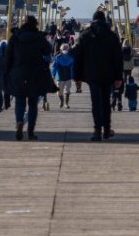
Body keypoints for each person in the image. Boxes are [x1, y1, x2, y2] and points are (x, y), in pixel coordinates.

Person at [71, 10, 123, 141]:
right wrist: (119, 77)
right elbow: (118, 58)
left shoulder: (85, 35)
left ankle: (97, 131)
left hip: (91, 74)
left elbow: (77, 57)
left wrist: (77, 77)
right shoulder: (112, 36)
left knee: (96, 102)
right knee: (106, 101)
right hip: (108, 74)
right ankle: (106, 130)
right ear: (105, 20)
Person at [5, 15, 52, 141]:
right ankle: (30, 131)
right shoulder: (39, 38)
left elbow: (8, 56)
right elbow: (48, 51)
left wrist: (7, 73)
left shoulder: (15, 37)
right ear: (35, 25)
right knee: (33, 104)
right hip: (35, 73)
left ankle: (19, 121)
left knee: (19, 101)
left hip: (18, 74)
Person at [51, 44, 75, 108]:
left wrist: (73, 76)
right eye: (64, 49)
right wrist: (53, 75)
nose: (65, 50)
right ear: (61, 50)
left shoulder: (71, 57)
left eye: (66, 49)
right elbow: (54, 67)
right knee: (59, 91)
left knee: (67, 90)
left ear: (68, 49)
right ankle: (61, 101)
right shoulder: (57, 58)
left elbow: (73, 68)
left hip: (68, 77)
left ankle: (66, 104)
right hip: (59, 77)